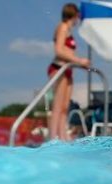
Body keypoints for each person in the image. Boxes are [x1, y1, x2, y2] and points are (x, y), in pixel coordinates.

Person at [47, 3, 91, 141]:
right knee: (58, 107)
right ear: (74, 14)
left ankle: (63, 136)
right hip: (59, 68)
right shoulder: (63, 27)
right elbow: (59, 50)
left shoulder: (69, 31)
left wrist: (79, 63)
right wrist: (79, 61)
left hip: (68, 70)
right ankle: (53, 138)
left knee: (65, 108)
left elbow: (67, 53)